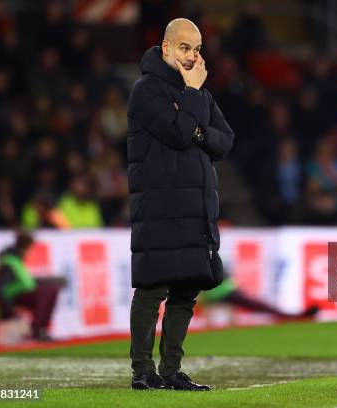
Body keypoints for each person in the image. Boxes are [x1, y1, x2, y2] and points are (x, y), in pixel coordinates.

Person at [126, 18, 234, 391]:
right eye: (185, 48)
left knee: (187, 289)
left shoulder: (198, 92)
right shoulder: (146, 90)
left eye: (198, 49)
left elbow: (224, 141)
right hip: (159, 205)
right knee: (153, 288)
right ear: (167, 48)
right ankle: (143, 371)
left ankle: (171, 370)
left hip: (195, 206)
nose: (192, 55)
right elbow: (177, 133)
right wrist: (191, 100)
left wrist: (196, 123)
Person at [0, 231, 62, 342]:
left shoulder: (16, 261)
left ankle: (40, 329)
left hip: (17, 297)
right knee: (47, 292)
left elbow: (25, 284)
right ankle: (36, 330)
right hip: (11, 300)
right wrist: (10, 311)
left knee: (51, 290)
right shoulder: (9, 264)